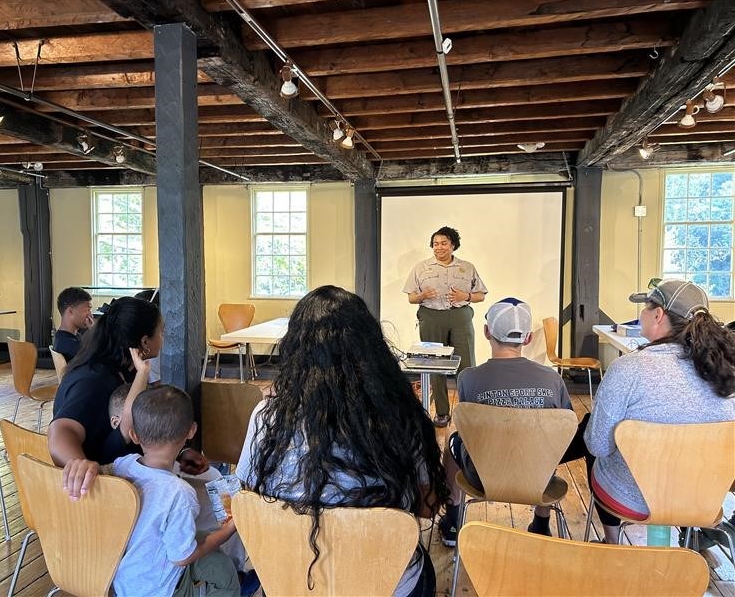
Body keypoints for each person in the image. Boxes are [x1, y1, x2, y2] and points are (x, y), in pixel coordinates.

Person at [236, 285, 450, 597]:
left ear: (295, 347)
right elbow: (428, 507)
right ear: (371, 346)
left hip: (291, 580)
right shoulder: (402, 418)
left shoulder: (266, 416)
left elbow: (249, 498)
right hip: (383, 583)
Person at [585, 279, 735, 544]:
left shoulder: (627, 369)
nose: (640, 313)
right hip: (703, 499)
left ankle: (612, 542)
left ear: (658, 315)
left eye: (645, 307)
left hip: (633, 499)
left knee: (592, 443)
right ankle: (690, 540)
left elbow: (598, 445)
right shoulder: (727, 371)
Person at [437, 298, 589, 545]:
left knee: (453, 440)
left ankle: (453, 521)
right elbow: (566, 431)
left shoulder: (469, 378)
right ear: (527, 338)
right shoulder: (552, 380)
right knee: (547, 442)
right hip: (539, 481)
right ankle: (541, 525)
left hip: (483, 477)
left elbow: (468, 433)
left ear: (487, 332)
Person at [48, 296, 208, 500]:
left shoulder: (126, 371)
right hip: (99, 491)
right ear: (144, 342)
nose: (163, 338)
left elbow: (145, 425)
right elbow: (60, 430)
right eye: (161, 332)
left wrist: (179, 452)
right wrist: (79, 464)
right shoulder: (93, 380)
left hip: (123, 476)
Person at [113, 385, 240, 597]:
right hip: (162, 590)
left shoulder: (121, 465)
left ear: (134, 435)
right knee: (227, 579)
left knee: (212, 552)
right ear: (191, 431)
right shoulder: (179, 493)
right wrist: (227, 532)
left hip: (122, 581)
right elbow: (182, 557)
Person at [403, 227, 487, 427]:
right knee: (434, 365)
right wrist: (422, 296)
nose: (438, 247)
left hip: (460, 317)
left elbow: (481, 295)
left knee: (466, 365)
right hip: (431, 317)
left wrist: (465, 296)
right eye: (435, 243)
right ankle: (441, 413)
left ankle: (469, 412)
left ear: (453, 245)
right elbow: (411, 298)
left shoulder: (467, 267)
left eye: (443, 243)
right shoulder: (421, 268)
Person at [53, 287, 94, 361]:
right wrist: (95, 332)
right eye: (88, 310)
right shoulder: (69, 344)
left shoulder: (64, 338)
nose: (90, 315)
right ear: (70, 311)